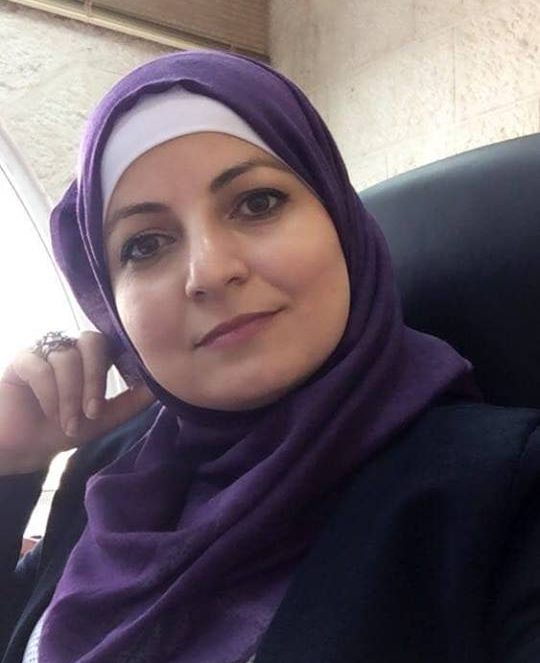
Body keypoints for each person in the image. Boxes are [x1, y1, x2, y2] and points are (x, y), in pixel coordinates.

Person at [1, 50, 540, 663]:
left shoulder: (505, 495)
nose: (210, 272)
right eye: (145, 245)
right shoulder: (112, 475)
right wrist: (10, 465)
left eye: (257, 203)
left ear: (340, 220)